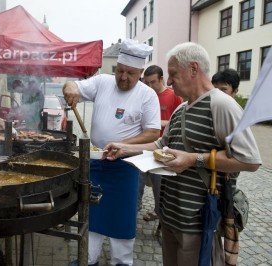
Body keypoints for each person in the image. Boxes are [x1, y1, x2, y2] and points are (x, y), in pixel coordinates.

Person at [103, 42, 262, 266]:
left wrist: (193, 159)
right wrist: (125, 148)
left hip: (197, 225)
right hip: (170, 219)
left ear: (194, 69)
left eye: (173, 74)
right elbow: (161, 144)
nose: (168, 81)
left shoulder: (221, 105)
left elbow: (249, 160)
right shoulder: (181, 109)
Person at [65, 39, 161, 266]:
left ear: (140, 72)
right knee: (92, 215)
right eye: (120, 71)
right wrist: (69, 86)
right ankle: (87, 259)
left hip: (126, 168)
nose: (123, 77)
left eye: (130, 73)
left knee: (122, 218)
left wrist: (123, 145)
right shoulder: (102, 82)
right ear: (115, 68)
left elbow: (153, 132)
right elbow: (74, 86)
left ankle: (121, 262)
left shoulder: (147, 95)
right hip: (96, 164)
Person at [139, 65, 183, 237]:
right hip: (143, 149)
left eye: (153, 82)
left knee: (160, 188)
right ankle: (134, 210)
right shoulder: (144, 95)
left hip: (163, 150)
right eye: (147, 82)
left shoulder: (173, 97)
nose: (150, 86)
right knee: (138, 185)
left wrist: (161, 124)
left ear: (162, 79)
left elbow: (179, 121)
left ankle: (161, 218)